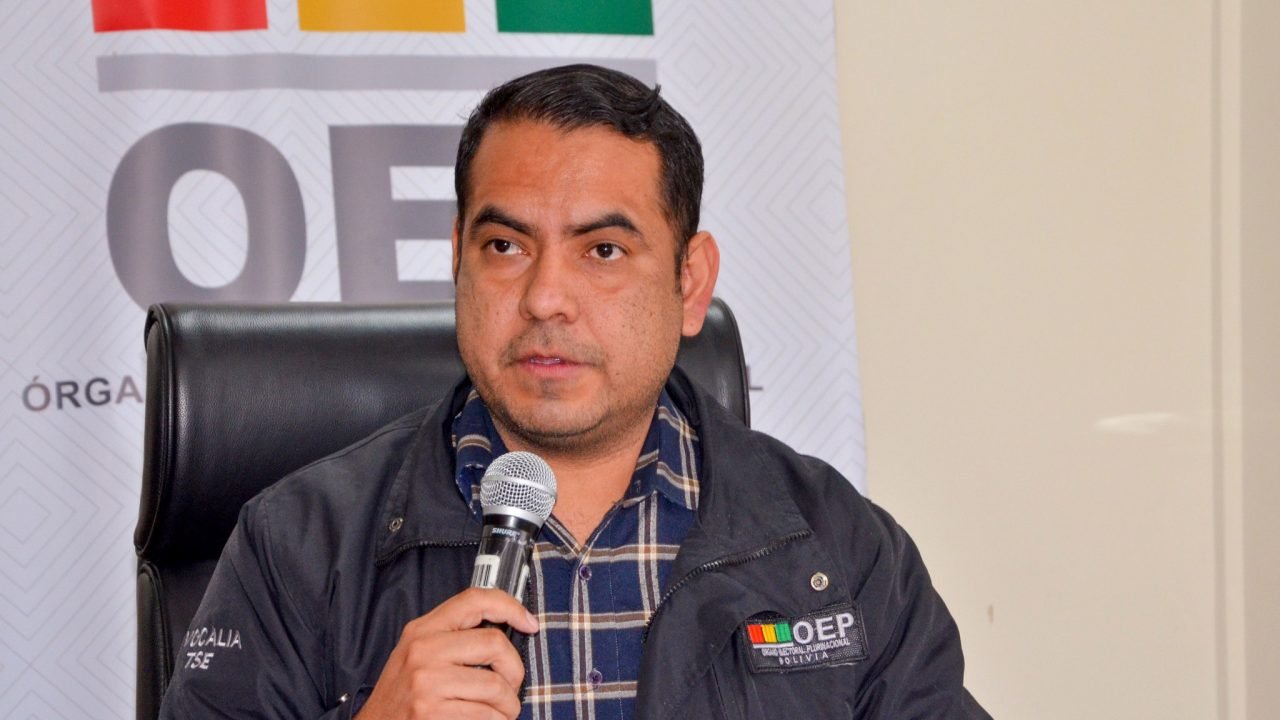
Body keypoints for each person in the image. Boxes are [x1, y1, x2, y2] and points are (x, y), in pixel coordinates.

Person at [159, 64, 990, 719]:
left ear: (690, 282)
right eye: (505, 246)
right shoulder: (297, 546)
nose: (545, 298)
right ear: (457, 261)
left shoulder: (833, 547)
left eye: (602, 251)